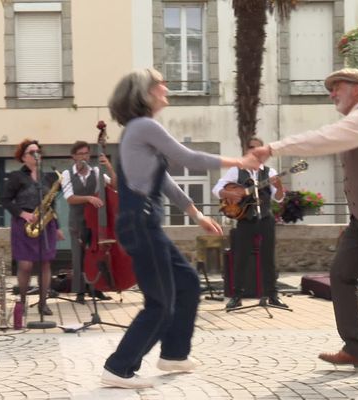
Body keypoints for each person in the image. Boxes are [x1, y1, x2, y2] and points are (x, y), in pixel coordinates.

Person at [101, 68, 260, 389]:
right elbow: (188, 158)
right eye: (159, 82)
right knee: (160, 301)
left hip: (143, 223)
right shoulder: (143, 126)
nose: (165, 86)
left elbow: (167, 181)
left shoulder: (140, 130)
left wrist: (195, 213)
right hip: (140, 223)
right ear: (145, 92)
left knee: (187, 282)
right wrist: (240, 162)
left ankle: (173, 354)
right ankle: (119, 368)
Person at [252, 68, 358, 372]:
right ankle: (356, 349)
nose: (331, 93)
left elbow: (322, 139)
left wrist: (274, 148)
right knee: (341, 274)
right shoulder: (355, 122)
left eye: (337, 87)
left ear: (356, 89)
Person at [212, 136, 288, 310]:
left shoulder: (269, 172)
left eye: (257, 148)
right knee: (241, 257)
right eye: (251, 148)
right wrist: (229, 194)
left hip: (266, 219)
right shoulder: (236, 170)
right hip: (245, 220)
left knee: (269, 258)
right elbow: (216, 188)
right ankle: (237, 296)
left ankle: (272, 295)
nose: (254, 151)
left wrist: (280, 187)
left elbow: (279, 198)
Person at [1, 139, 65, 316]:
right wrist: (23, 214)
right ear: (23, 157)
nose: (36, 155)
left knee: (45, 263)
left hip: (46, 223)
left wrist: (57, 226)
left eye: (38, 151)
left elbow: (52, 203)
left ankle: (43, 303)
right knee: (26, 265)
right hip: (24, 223)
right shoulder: (16, 177)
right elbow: (5, 200)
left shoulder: (49, 177)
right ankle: (21, 302)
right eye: (32, 152)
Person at [62, 140, 116, 304]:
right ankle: (79, 292)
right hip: (77, 221)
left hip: (95, 221)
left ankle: (97, 289)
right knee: (78, 255)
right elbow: (69, 198)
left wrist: (109, 166)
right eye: (80, 154)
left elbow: (114, 185)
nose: (84, 156)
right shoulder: (67, 174)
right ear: (74, 156)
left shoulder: (97, 171)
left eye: (86, 153)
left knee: (96, 255)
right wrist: (89, 198)